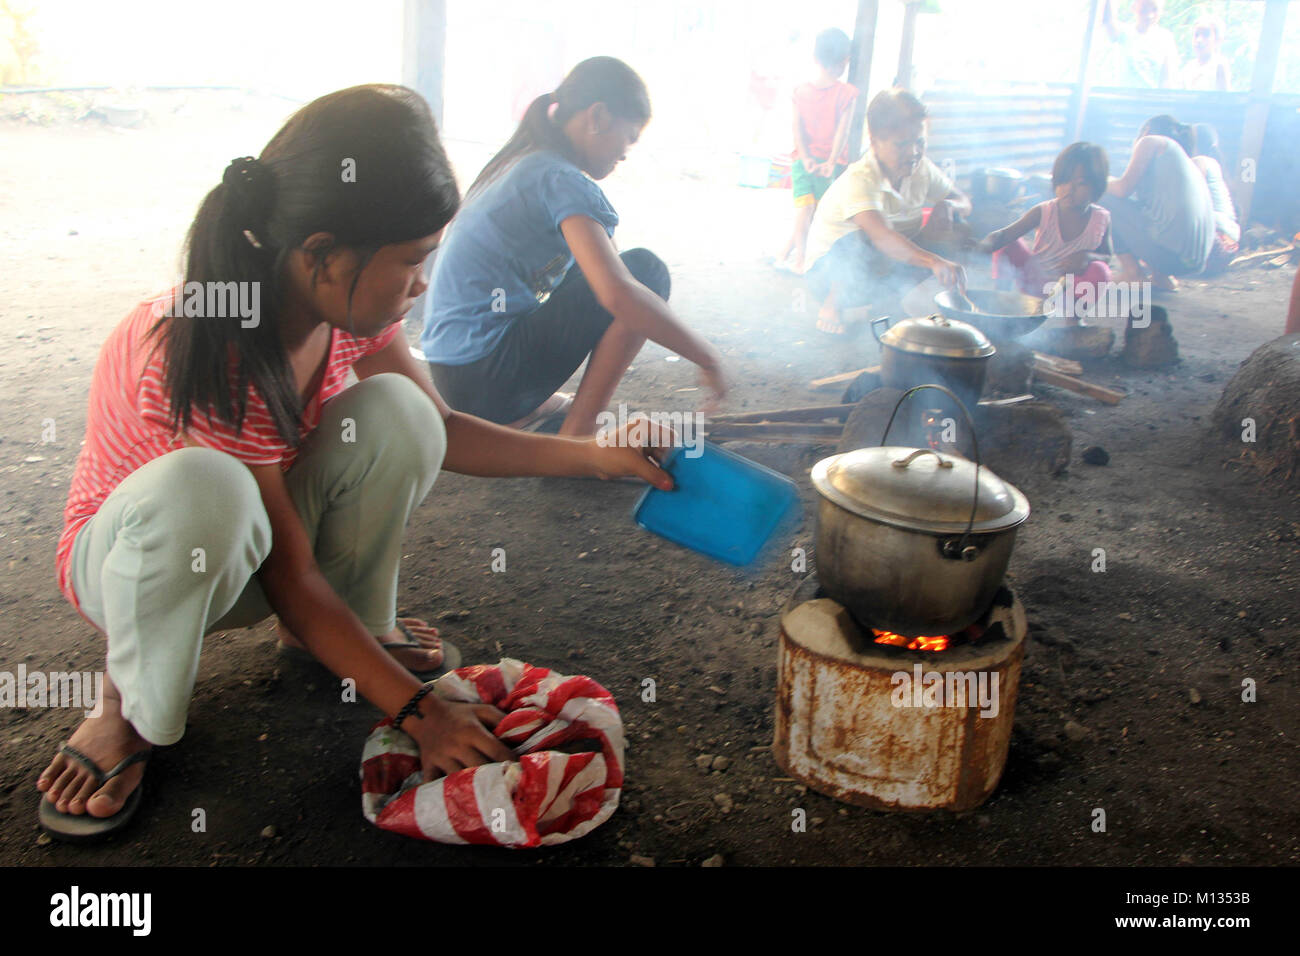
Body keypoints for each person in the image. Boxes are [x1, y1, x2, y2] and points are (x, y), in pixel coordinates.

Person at [36, 85, 676, 840]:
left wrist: (592, 456)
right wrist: (422, 712)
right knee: (203, 489)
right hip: (139, 568)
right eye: (411, 261)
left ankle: (350, 637)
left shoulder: (337, 309)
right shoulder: (206, 342)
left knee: (400, 414)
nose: (423, 283)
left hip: (244, 549)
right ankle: (128, 707)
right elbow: (290, 577)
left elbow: (442, 429)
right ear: (321, 255)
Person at [419, 57, 727, 437]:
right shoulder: (558, 178)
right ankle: (578, 438)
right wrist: (706, 357)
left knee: (616, 271)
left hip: (456, 378)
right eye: (629, 137)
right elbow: (620, 294)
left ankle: (521, 412)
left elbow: (609, 265)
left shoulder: (521, 162)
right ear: (597, 117)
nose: (626, 153)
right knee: (646, 273)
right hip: (487, 377)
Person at [803, 87, 971, 335]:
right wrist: (934, 261)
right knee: (866, 238)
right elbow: (881, 236)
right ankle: (832, 304)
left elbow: (964, 200)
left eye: (919, 142)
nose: (913, 152)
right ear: (874, 142)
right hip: (827, 276)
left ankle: (892, 297)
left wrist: (949, 206)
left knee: (955, 226)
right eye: (902, 145)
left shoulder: (921, 168)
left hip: (880, 273)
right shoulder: (860, 179)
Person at [978, 142, 1112, 323]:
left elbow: (1107, 255)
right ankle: (999, 302)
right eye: (1063, 181)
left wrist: (1087, 257)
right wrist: (980, 246)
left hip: (1069, 291)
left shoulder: (1101, 219)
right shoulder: (1044, 211)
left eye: (1080, 184)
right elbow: (1005, 235)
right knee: (1010, 244)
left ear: (1097, 187)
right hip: (1034, 283)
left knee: (1100, 271)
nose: (1068, 190)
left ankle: (1073, 320)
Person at [774, 28, 857, 275]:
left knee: (805, 209)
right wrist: (831, 161)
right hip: (828, 163)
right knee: (812, 212)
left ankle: (785, 255)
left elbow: (796, 128)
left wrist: (806, 157)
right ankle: (801, 260)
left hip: (803, 160)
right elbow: (843, 132)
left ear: (815, 58)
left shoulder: (800, 92)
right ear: (845, 61)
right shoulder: (847, 94)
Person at [1101, 114, 1214, 291]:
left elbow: (1123, 189)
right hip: (1193, 262)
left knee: (1100, 195)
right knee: (1147, 213)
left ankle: (1133, 274)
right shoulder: (1183, 160)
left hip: (1169, 256)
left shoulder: (1151, 142)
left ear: (1145, 130)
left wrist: (1094, 180)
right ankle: (1162, 278)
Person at [1190, 122, 1240, 275]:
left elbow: (1192, 198)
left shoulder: (1200, 161)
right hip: (1229, 241)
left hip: (1215, 238)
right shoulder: (1215, 163)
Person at [1100, 0, 1179, 88]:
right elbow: (1107, 20)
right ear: (1133, 8)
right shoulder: (1123, 33)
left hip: (1153, 98)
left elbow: (1167, 79)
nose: (1149, 15)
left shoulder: (1166, 38)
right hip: (1124, 98)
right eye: (1144, 9)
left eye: (1155, 9)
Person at [1180, 15, 1231, 91]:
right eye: (1196, 35)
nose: (1199, 40)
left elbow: (1223, 99)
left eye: (1206, 35)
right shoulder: (1188, 67)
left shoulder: (1219, 65)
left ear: (1217, 40)